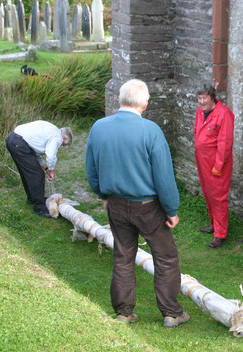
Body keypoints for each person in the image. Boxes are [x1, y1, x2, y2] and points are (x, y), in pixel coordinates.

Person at [85, 79, 189, 328]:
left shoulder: (98, 127)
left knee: (123, 256)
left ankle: (123, 312)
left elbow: (91, 169)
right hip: (148, 207)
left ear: (119, 101)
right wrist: (171, 209)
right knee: (165, 258)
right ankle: (171, 313)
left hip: (117, 205)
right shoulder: (151, 130)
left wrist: (102, 196)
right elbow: (163, 177)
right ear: (145, 104)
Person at [194, 84, 235, 249]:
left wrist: (218, 165)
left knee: (218, 197)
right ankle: (213, 224)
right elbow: (198, 129)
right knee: (207, 193)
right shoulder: (200, 111)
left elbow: (225, 143)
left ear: (212, 97)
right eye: (199, 98)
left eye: (205, 98)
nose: (202, 102)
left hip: (216, 162)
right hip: (202, 160)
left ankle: (220, 234)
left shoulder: (224, 114)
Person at [6, 121, 72, 218]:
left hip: (13, 140)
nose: (60, 146)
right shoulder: (57, 137)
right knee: (37, 175)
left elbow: (36, 153)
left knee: (28, 173)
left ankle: (32, 198)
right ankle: (39, 207)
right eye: (63, 145)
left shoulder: (52, 130)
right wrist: (52, 170)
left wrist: (47, 168)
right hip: (19, 144)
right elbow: (50, 155)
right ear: (65, 138)